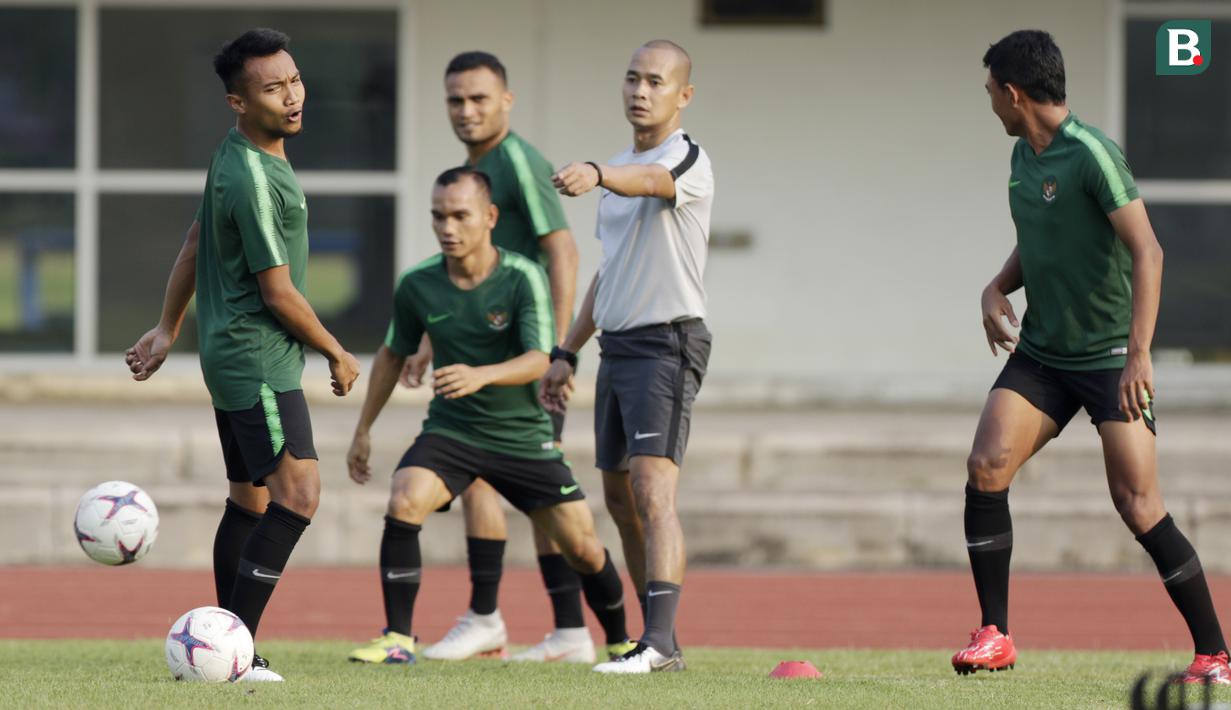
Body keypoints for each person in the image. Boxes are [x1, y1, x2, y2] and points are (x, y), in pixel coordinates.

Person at [952, 30, 1229, 685]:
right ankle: (994, 634)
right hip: (1043, 353)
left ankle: (1214, 654)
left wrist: (1138, 357)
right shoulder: (1023, 155)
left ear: (1013, 93)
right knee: (985, 465)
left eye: (990, 90)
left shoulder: (1092, 155)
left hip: (1109, 359)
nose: (988, 101)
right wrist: (996, 285)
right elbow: (1039, 239)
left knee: (1137, 504)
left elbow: (1148, 252)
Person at [124, 28, 360, 682]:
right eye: (271, 87)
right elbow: (278, 292)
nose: (291, 96)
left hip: (230, 356)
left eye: (294, 80)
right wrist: (336, 351)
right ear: (237, 102)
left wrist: (168, 327)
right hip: (259, 357)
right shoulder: (255, 176)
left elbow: (198, 237)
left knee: (250, 502)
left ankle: (223, 647)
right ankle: (235, 651)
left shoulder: (234, 155)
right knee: (300, 495)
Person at [345, 167, 628, 667]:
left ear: (490, 217)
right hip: (452, 431)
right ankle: (397, 639)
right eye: (438, 216)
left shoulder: (521, 276)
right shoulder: (418, 284)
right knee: (406, 497)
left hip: (522, 437)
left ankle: (623, 642)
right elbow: (392, 354)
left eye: (460, 215)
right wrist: (363, 430)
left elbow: (542, 358)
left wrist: (480, 375)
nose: (447, 227)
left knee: (583, 547)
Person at [398, 51, 600, 663]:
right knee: (510, 485)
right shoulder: (477, 167)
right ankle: (558, 630)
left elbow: (561, 251)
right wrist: (432, 340)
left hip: (524, 362)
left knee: (520, 485)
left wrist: (559, 352)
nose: (466, 110)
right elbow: (474, 268)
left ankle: (500, 619)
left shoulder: (517, 162)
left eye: (479, 99)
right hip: (492, 351)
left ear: (506, 101)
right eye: (456, 100)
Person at [542, 39, 714, 674]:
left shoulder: (685, 158)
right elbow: (608, 276)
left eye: (657, 82)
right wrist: (566, 350)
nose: (641, 91)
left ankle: (661, 643)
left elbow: (654, 182)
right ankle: (653, 639)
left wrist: (595, 170)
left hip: (667, 342)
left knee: (651, 489)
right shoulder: (614, 169)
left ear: (682, 95)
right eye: (633, 79)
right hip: (616, 347)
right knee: (617, 498)